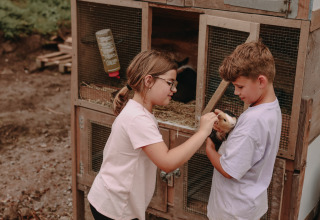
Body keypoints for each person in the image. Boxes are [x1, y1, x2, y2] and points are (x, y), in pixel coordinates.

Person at [88, 50, 217, 220]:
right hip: (115, 208)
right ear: (149, 81)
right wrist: (202, 132)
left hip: (111, 199)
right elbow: (168, 162)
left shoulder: (139, 111)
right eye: (170, 83)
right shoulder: (138, 119)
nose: (175, 89)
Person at [206, 41, 282, 220]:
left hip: (232, 212)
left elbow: (229, 170)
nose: (235, 92)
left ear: (261, 81)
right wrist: (226, 131)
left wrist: (209, 144)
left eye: (240, 86)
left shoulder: (253, 121)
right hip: (249, 204)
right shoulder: (270, 107)